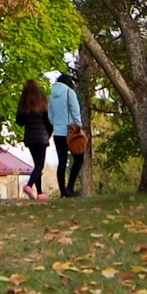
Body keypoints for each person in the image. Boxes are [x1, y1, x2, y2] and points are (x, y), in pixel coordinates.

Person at [48, 66, 87, 197]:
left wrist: (57, 124)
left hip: (58, 133)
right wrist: (78, 126)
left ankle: (62, 191)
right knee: (79, 158)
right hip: (71, 132)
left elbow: (50, 115)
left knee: (62, 162)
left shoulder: (51, 95)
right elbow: (75, 111)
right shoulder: (70, 93)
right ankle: (70, 187)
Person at [15, 76, 52, 199]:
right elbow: (48, 122)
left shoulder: (24, 105)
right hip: (41, 137)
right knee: (40, 165)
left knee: (37, 164)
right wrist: (49, 134)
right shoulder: (42, 103)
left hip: (30, 138)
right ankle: (29, 185)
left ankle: (40, 193)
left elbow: (19, 122)